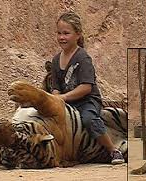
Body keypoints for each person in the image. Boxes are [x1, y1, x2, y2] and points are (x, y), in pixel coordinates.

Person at [50, 11, 125, 164]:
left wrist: (62, 97)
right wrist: (55, 99)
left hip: (87, 101)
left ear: (78, 35)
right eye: (59, 33)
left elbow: (86, 87)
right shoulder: (56, 60)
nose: (61, 37)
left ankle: (113, 150)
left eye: (66, 33)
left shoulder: (82, 57)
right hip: (67, 101)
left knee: (89, 119)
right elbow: (55, 87)